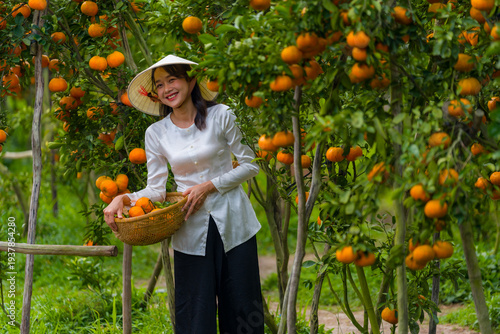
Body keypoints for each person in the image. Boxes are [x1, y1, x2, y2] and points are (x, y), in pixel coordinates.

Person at [103, 55, 265, 333]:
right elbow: (155, 190)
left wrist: (210, 185)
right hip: (190, 229)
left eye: (172, 79)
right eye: (160, 84)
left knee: (243, 309)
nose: (167, 88)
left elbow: (251, 164)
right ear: (156, 93)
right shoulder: (156, 133)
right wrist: (124, 197)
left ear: (191, 81)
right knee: (194, 314)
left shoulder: (222, 115)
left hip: (235, 223)